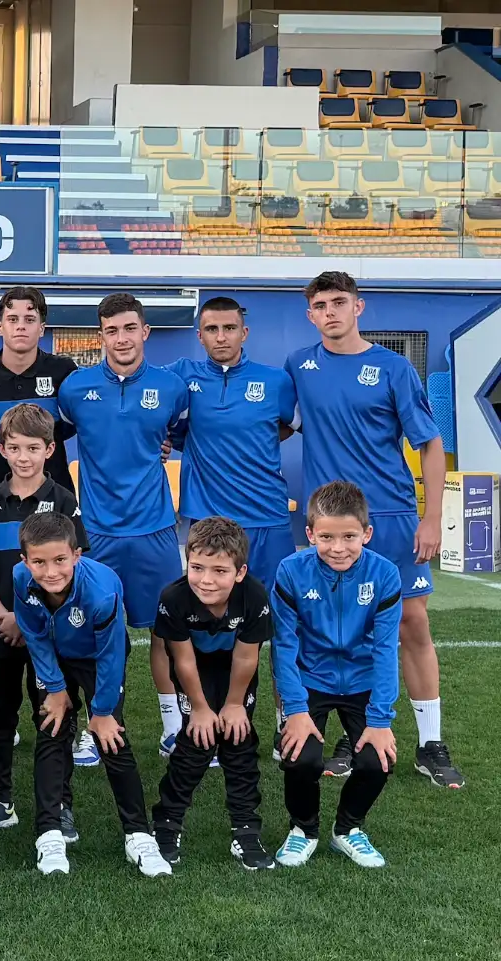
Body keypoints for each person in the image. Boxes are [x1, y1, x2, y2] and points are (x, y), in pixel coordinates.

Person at [287, 271, 460, 788]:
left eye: (340, 302)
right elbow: (273, 424)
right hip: (330, 523)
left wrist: (432, 517)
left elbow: (429, 443)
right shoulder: (299, 366)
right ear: (310, 315)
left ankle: (430, 743)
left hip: (390, 516)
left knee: (412, 623)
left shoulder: (393, 367)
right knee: (340, 627)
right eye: (321, 305)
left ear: (358, 307)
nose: (331, 312)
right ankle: (353, 732)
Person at [57, 293, 189, 756]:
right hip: (97, 533)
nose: (122, 338)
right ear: (101, 336)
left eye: (130, 328)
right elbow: (51, 438)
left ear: (145, 331)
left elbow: (179, 433)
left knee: (167, 633)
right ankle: (100, 726)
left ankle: (174, 728)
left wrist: (163, 446)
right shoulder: (75, 389)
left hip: (155, 530)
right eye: (111, 330)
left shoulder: (171, 388)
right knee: (99, 634)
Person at [12, 512, 170, 878]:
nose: (51, 571)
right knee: (51, 731)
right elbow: (33, 633)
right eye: (39, 562)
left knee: (112, 738)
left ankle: (138, 834)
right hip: (54, 657)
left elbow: (111, 655)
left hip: (97, 658)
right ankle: (50, 832)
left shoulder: (101, 591)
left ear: (76, 554)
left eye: (60, 560)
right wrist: (55, 688)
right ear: (25, 560)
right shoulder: (20, 578)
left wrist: (101, 711)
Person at [0, 403, 86, 836]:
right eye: (14, 448)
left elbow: (71, 568)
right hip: (0, 628)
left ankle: (58, 805)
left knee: (53, 712)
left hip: (48, 631)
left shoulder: (63, 501)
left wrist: (26, 617)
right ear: (1, 449)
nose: (23, 457)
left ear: (49, 449)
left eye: (33, 448)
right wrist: (2, 614)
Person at [272, 481, 402, 869]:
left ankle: (347, 829)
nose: (338, 547)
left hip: (362, 680)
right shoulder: (291, 571)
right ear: (310, 534)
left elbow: (385, 652)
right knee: (300, 757)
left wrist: (380, 720)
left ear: (367, 533)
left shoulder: (385, 574)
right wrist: (296, 710)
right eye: (327, 537)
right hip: (311, 679)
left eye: (349, 536)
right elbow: (283, 647)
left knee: (377, 760)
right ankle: (303, 829)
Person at [149, 517, 275, 871]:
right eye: (197, 567)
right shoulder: (173, 598)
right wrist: (200, 708)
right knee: (197, 742)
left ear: (240, 572)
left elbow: (247, 656)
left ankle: (246, 830)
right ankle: (166, 823)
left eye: (219, 571)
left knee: (238, 739)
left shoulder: (254, 595)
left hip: (235, 667)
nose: (206, 580)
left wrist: (234, 704)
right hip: (195, 668)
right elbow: (183, 659)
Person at [167, 297, 298, 589]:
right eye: (211, 329)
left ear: (244, 333)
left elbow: (296, 427)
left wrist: (254, 439)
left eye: (229, 328)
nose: (221, 337)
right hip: (207, 518)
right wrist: (162, 440)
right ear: (200, 336)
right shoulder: (181, 375)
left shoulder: (275, 381)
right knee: (211, 605)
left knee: (277, 603)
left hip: (266, 515)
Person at [0, 286, 78, 492]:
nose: (21, 326)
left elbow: (81, 429)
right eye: (12, 319)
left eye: (29, 320)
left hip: (57, 500)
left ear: (42, 328)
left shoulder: (64, 371)